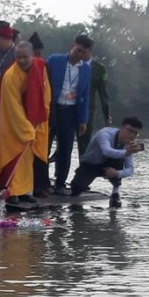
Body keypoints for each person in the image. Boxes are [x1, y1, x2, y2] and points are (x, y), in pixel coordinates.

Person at [0, 42, 50, 203]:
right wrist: (26, 129)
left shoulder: (40, 68)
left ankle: (25, 190)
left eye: (25, 57)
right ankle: (10, 191)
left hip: (33, 120)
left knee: (27, 158)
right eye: (18, 57)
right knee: (13, 154)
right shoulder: (10, 76)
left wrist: (42, 116)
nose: (22, 61)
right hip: (14, 123)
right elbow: (13, 106)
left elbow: (46, 93)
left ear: (32, 55)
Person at [47, 34, 94, 193]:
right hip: (52, 108)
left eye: (83, 53)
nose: (79, 55)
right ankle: (39, 181)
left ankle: (60, 182)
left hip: (71, 111)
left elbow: (85, 94)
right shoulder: (54, 60)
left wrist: (83, 120)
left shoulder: (86, 68)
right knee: (43, 146)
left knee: (65, 149)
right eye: (78, 50)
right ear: (72, 46)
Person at [71, 116, 143, 208]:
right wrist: (127, 152)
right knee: (76, 187)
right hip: (91, 164)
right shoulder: (105, 133)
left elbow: (130, 169)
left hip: (110, 166)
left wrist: (117, 173)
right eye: (130, 130)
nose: (132, 135)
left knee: (119, 162)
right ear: (122, 127)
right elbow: (106, 151)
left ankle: (115, 193)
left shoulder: (129, 144)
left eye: (135, 133)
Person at [78, 52, 111, 156]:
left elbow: (103, 93)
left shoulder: (99, 68)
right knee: (64, 141)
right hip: (68, 107)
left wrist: (106, 114)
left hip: (88, 110)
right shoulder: (72, 64)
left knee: (85, 144)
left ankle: (84, 170)